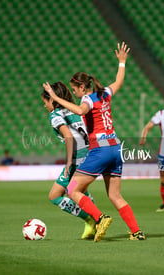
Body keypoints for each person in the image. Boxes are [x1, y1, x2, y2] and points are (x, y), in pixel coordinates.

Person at [43, 42, 145, 242]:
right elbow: (119, 82)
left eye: (74, 90)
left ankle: (100, 218)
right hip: (116, 148)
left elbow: (81, 111)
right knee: (115, 196)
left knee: (72, 189)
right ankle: (136, 232)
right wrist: (122, 63)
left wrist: (55, 97)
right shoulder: (104, 93)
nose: (74, 93)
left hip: (100, 151)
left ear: (82, 87)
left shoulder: (88, 100)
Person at [41, 81, 96, 239]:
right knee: (80, 191)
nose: (45, 106)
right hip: (89, 154)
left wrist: (69, 162)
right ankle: (93, 219)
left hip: (77, 158)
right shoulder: (75, 110)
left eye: (45, 102)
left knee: (55, 195)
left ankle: (91, 218)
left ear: (51, 100)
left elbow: (68, 136)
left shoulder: (55, 115)